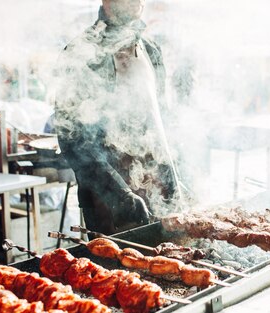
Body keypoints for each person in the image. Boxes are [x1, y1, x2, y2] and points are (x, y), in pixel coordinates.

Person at [54, 0, 181, 235]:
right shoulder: (82, 52)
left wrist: (176, 173)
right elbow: (71, 139)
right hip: (108, 201)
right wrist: (120, 195)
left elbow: (162, 122)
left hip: (157, 189)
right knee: (118, 270)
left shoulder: (150, 49)